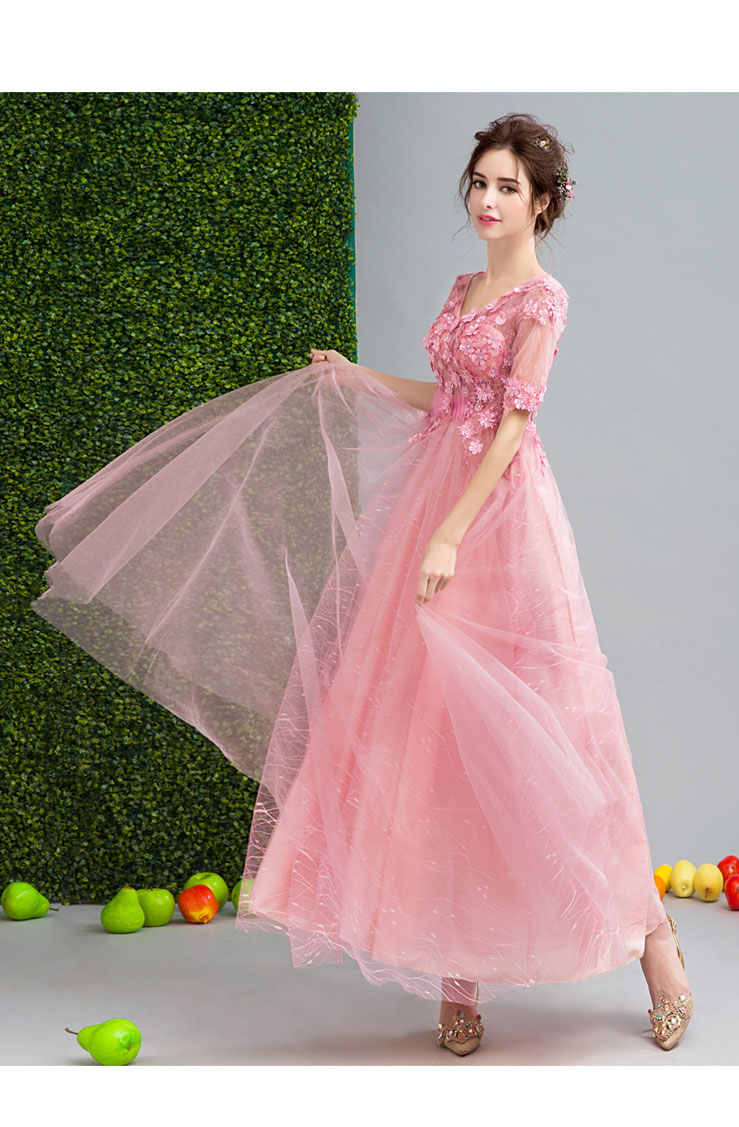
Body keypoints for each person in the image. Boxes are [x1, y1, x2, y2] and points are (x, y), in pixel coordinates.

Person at [31, 111, 692, 1058]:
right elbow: (449, 400)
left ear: (544, 203)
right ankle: (458, 974)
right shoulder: (465, 288)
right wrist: (357, 378)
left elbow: (511, 425)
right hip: (430, 506)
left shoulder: (543, 300)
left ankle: (654, 940)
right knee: (429, 740)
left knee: (546, 731)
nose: (487, 200)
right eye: (479, 182)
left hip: (498, 521)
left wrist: (452, 533)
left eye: (507, 187)